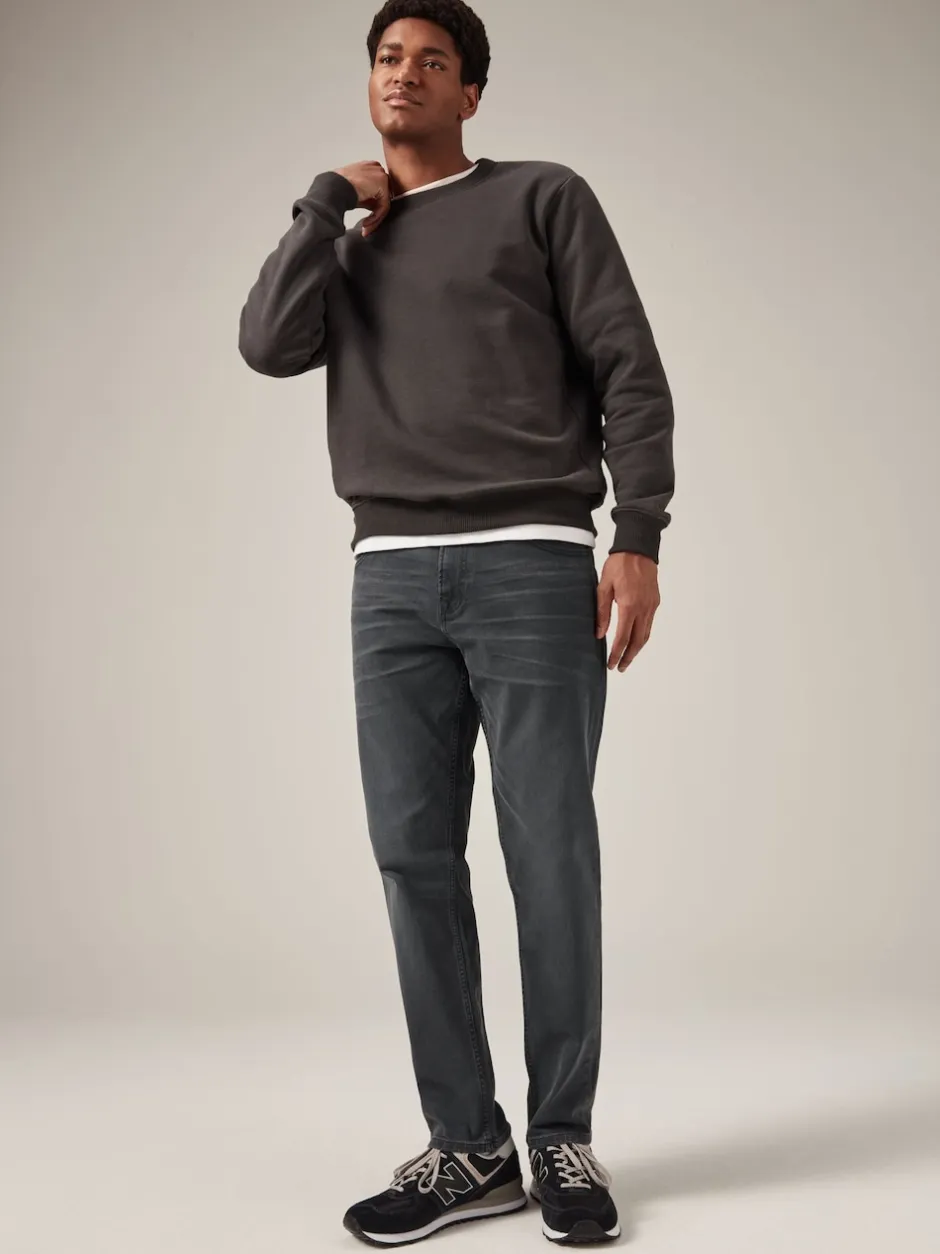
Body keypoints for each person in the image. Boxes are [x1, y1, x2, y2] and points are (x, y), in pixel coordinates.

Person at [238, 0, 674, 1243]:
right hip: (389, 576)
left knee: (549, 851)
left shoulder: (542, 197)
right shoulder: (342, 241)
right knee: (411, 856)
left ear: (471, 92)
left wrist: (637, 535)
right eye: (388, 58)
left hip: (531, 560)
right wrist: (325, 203)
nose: (406, 75)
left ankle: (561, 1136)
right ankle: (468, 1146)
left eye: (433, 62)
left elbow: (629, 369)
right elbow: (266, 345)